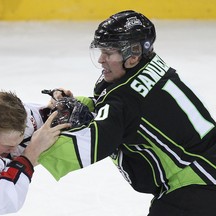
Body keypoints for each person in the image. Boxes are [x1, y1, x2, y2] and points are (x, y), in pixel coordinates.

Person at [38, 10, 216, 216]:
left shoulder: (123, 99)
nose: (101, 60)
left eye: (109, 52)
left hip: (198, 187)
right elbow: (124, 110)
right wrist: (78, 104)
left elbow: (92, 144)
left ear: (133, 56)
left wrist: (30, 153)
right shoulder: (150, 67)